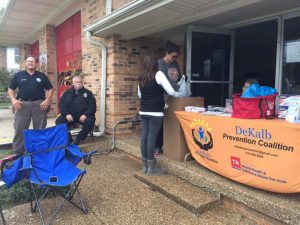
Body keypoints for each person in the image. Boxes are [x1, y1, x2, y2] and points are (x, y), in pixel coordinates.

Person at [138, 55, 180, 176]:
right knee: (152, 137)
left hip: (143, 111)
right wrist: (178, 93)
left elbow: (140, 95)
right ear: (154, 64)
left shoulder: (141, 77)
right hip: (155, 112)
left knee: (144, 137)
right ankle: (151, 168)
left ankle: (144, 166)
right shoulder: (159, 74)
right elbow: (171, 91)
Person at [7, 55, 54, 155]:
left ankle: (39, 151)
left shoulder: (41, 76)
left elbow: (50, 88)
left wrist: (47, 100)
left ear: (36, 64)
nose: (30, 63)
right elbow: (11, 89)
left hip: (39, 104)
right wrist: (13, 100)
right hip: (22, 104)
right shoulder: (19, 75)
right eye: (28, 61)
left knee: (40, 129)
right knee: (20, 128)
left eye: (32, 61)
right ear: (25, 63)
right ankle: (18, 152)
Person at [155, 41, 181, 155]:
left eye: (176, 56)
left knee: (171, 122)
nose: (174, 59)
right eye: (173, 56)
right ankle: (157, 146)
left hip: (175, 96)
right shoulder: (159, 64)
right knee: (161, 123)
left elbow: (178, 78)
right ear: (167, 53)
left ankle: (170, 145)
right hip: (163, 97)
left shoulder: (176, 64)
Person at [55, 75, 96, 145]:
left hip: (83, 116)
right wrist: (67, 114)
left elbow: (93, 107)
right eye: (77, 82)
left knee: (90, 121)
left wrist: (85, 115)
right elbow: (62, 105)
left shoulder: (88, 93)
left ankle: (78, 139)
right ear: (73, 83)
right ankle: (69, 139)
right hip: (70, 116)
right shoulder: (66, 93)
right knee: (59, 121)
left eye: (80, 82)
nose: (79, 83)